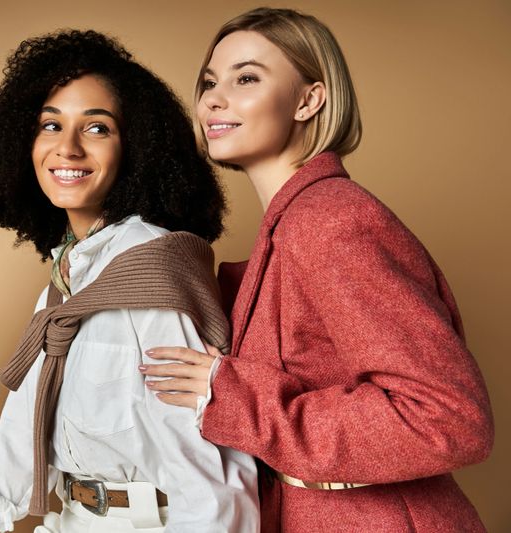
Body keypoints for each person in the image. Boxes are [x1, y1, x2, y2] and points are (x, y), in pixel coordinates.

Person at [138, 7, 494, 533]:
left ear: (309, 100)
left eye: (246, 78)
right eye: (210, 82)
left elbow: (447, 418)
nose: (213, 98)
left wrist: (232, 395)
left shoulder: (329, 220)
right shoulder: (291, 225)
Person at [0, 30, 259, 533]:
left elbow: (213, 491)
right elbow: (10, 469)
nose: (67, 148)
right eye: (51, 125)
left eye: (96, 128)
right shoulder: (65, 287)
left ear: (136, 148)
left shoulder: (151, 274)